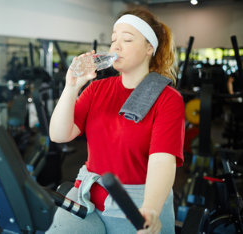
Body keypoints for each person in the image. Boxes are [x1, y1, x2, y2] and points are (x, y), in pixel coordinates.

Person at [47, 8, 185, 234]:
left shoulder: (167, 98)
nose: (116, 47)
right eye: (113, 40)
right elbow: (59, 135)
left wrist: (150, 209)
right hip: (88, 197)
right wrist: (71, 87)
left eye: (127, 39)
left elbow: (162, 162)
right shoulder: (96, 89)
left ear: (149, 48)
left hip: (135, 204)